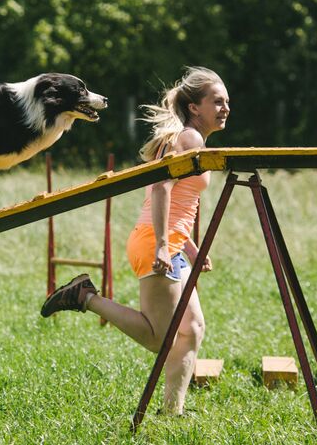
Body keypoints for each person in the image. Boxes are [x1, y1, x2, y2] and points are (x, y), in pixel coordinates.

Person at [40, 66, 230, 415]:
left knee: (192, 328)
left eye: (227, 102)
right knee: (161, 337)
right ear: (194, 108)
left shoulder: (190, 139)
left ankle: (173, 411)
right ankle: (84, 296)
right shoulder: (189, 140)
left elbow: (182, 201)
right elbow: (160, 188)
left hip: (170, 242)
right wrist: (163, 244)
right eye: (216, 101)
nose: (225, 108)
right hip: (155, 243)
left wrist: (188, 246)